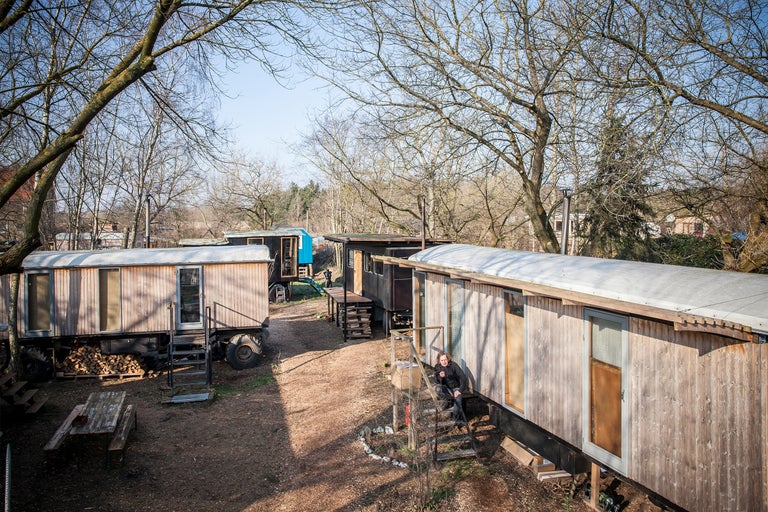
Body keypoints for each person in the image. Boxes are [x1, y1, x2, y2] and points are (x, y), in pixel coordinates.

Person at [433, 351, 467, 421]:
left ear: (448, 359)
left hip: (455, 388)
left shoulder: (453, 365)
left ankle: (455, 419)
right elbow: (436, 381)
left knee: (458, 400)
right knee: (437, 388)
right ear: (439, 361)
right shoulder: (437, 367)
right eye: (442, 360)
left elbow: (463, 377)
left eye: (445, 360)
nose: (444, 362)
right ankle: (445, 402)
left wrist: (459, 390)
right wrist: (440, 377)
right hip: (446, 388)